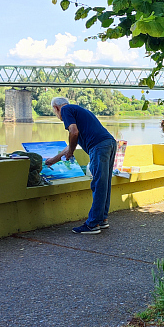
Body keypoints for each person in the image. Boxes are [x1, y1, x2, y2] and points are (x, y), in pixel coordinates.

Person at [46, 97, 117, 234]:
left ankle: (92, 224)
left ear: (56, 108)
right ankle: (101, 220)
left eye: (55, 112)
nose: (57, 116)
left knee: (98, 184)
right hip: (109, 143)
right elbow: (72, 143)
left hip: (99, 146)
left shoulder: (66, 109)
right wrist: (53, 160)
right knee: (104, 183)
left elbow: (73, 132)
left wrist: (71, 151)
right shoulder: (78, 110)